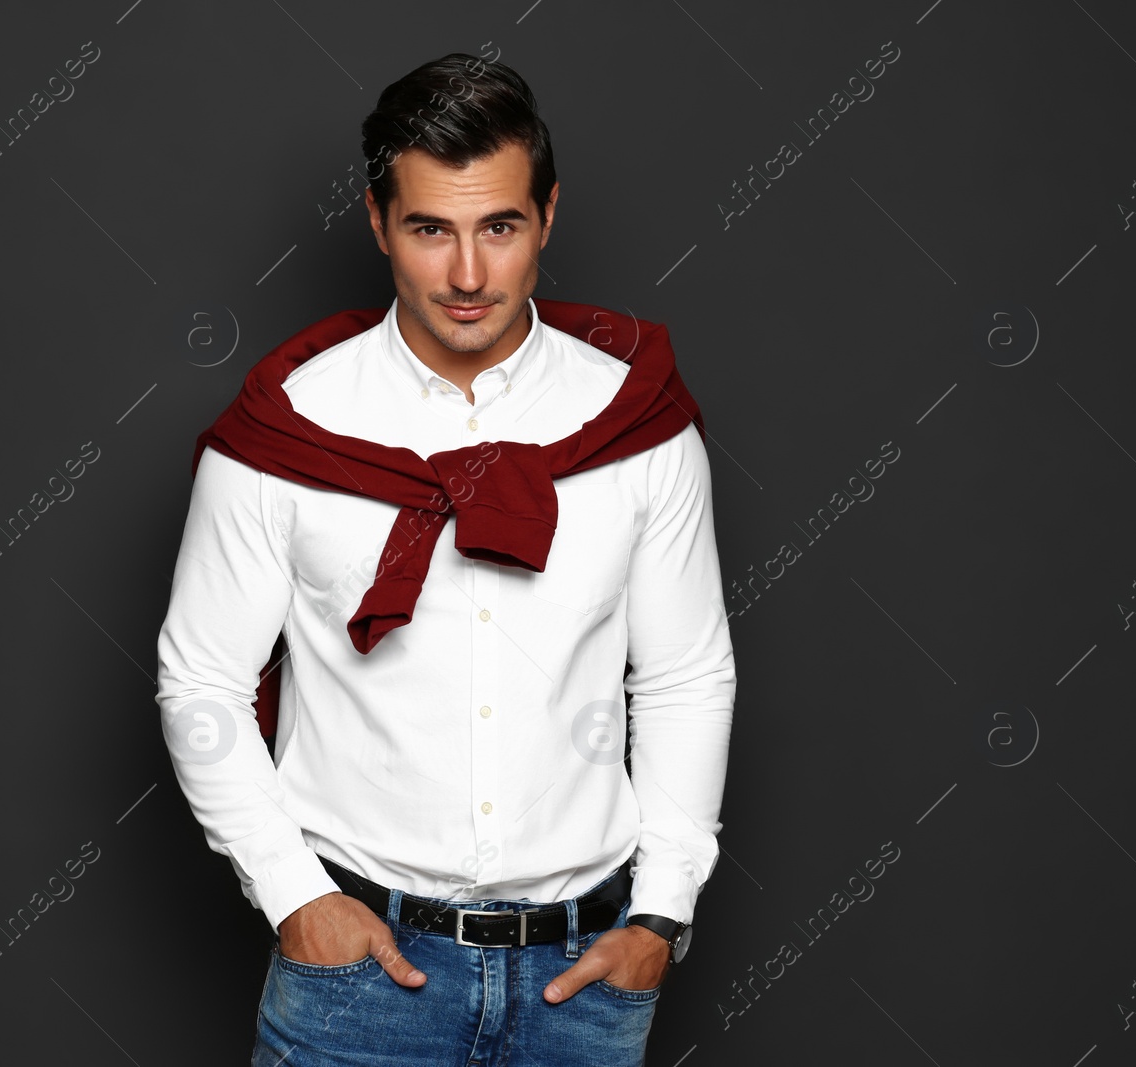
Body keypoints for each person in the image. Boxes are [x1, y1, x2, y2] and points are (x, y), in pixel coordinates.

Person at [155, 52, 735, 1067]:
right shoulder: (289, 432)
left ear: (546, 216)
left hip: (583, 981)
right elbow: (200, 674)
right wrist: (294, 896)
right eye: (430, 228)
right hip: (357, 980)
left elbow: (685, 673)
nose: (468, 274)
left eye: (498, 226)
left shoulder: (634, 427)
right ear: (378, 225)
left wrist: (661, 914)